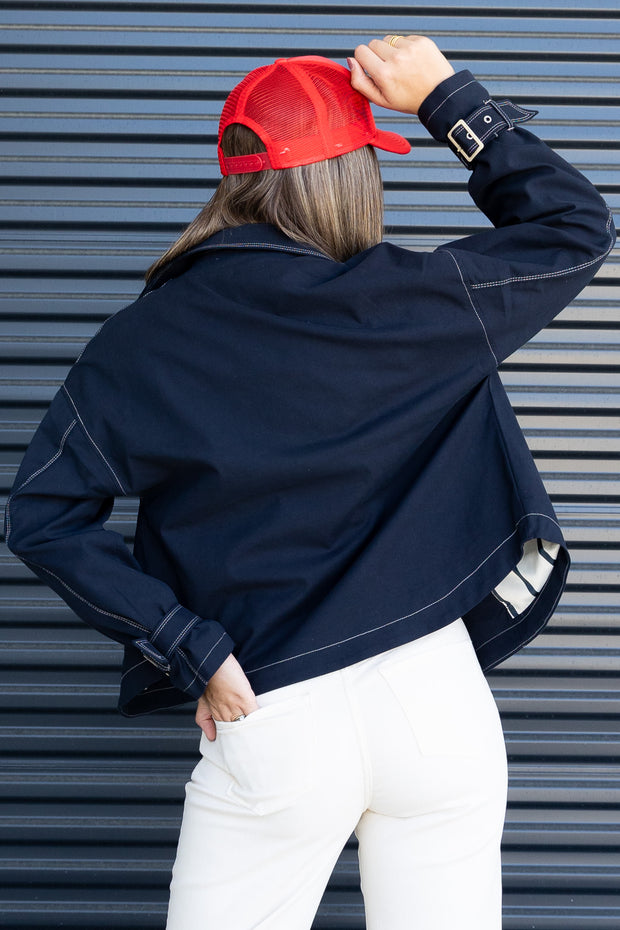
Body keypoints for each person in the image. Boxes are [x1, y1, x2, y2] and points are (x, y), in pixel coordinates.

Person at [3, 33, 614, 930]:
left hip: (271, 705)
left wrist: (188, 646)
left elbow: (43, 519)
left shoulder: (140, 343)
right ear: (350, 176)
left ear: (234, 176)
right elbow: (575, 228)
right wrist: (446, 98)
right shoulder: (416, 302)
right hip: (434, 702)